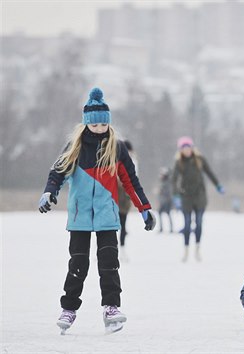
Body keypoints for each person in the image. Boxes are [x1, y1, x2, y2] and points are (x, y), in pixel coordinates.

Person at [38, 87, 155, 334]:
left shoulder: (117, 148)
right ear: (87, 123)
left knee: (109, 264)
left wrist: (144, 209)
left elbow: (131, 181)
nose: (100, 128)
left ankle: (111, 307)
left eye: (104, 124)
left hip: (107, 216)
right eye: (96, 124)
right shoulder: (75, 146)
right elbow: (57, 174)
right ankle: (69, 309)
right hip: (80, 216)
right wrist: (49, 193)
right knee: (78, 264)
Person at [171, 136, 224, 262]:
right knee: (187, 224)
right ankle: (186, 250)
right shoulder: (179, 163)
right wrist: (176, 195)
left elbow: (209, 173)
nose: (187, 150)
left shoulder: (200, 160)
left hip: (200, 196)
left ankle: (197, 249)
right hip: (186, 197)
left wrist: (218, 185)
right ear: (180, 150)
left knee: (199, 223)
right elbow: (174, 180)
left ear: (192, 148)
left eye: (188, 147)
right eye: (184, 148)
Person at [117, 140, 134, 261]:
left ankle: (122, 249)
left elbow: (134, 181)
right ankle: (108, 250)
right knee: (109, 226)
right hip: (114, 197)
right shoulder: (115, 162)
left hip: (125, 199)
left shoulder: (133, 163)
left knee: (123, 225)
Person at [156, 167, 174, 233]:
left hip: (167, 202)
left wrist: (161, 191)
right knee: (163, 214)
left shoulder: (167, 182)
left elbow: (168, 193)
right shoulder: (164, 182)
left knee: (167, 214)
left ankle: (170, 228)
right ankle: (162, 228)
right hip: (164, 201)